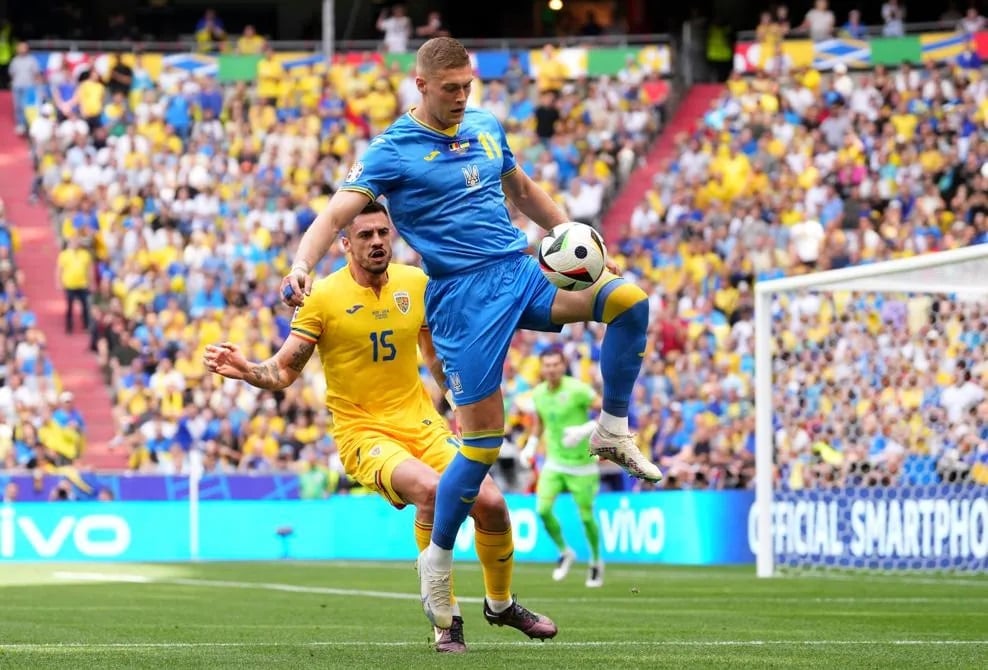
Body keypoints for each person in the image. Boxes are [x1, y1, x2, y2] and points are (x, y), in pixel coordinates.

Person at [280, 36, 661, 630]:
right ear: (422, 86)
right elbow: (333, 216)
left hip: (521, 273)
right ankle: (437, 563)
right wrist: (303, 263)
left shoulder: (485, 125)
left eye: (468, 86)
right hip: (462, 301)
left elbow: (524, 190)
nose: (462, 98)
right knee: (483, 446)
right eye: (450, 88)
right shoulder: (392, 151)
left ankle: (612, 429)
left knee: (630, 302)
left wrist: (577, 239)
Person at [205, 201, 556, 651]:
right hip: (364, 433)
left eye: (383, 234)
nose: (376, 242)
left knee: (491, 503)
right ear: (346, 244)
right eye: (366, 235)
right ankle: (445, 618)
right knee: (432, 491)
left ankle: (501, 604)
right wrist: (248, 369)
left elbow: (436, 360)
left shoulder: (416, 283)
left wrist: (461, 409)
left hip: (422, 424)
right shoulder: (323, 299)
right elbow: (284, 371)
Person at [520, 347, 604, 588]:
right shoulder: (538, 394)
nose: (552, 369)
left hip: (582, 465)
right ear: (542, 368)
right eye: (547, 365)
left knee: (587, 518)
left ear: (563, 365)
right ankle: (565, 551)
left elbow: (609, 412)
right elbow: (540, 424)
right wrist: (532, 445)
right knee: (543, 510)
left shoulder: (578, 389)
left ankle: (596, 562)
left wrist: (583, 431)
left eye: (556, 364)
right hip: (555, 462)